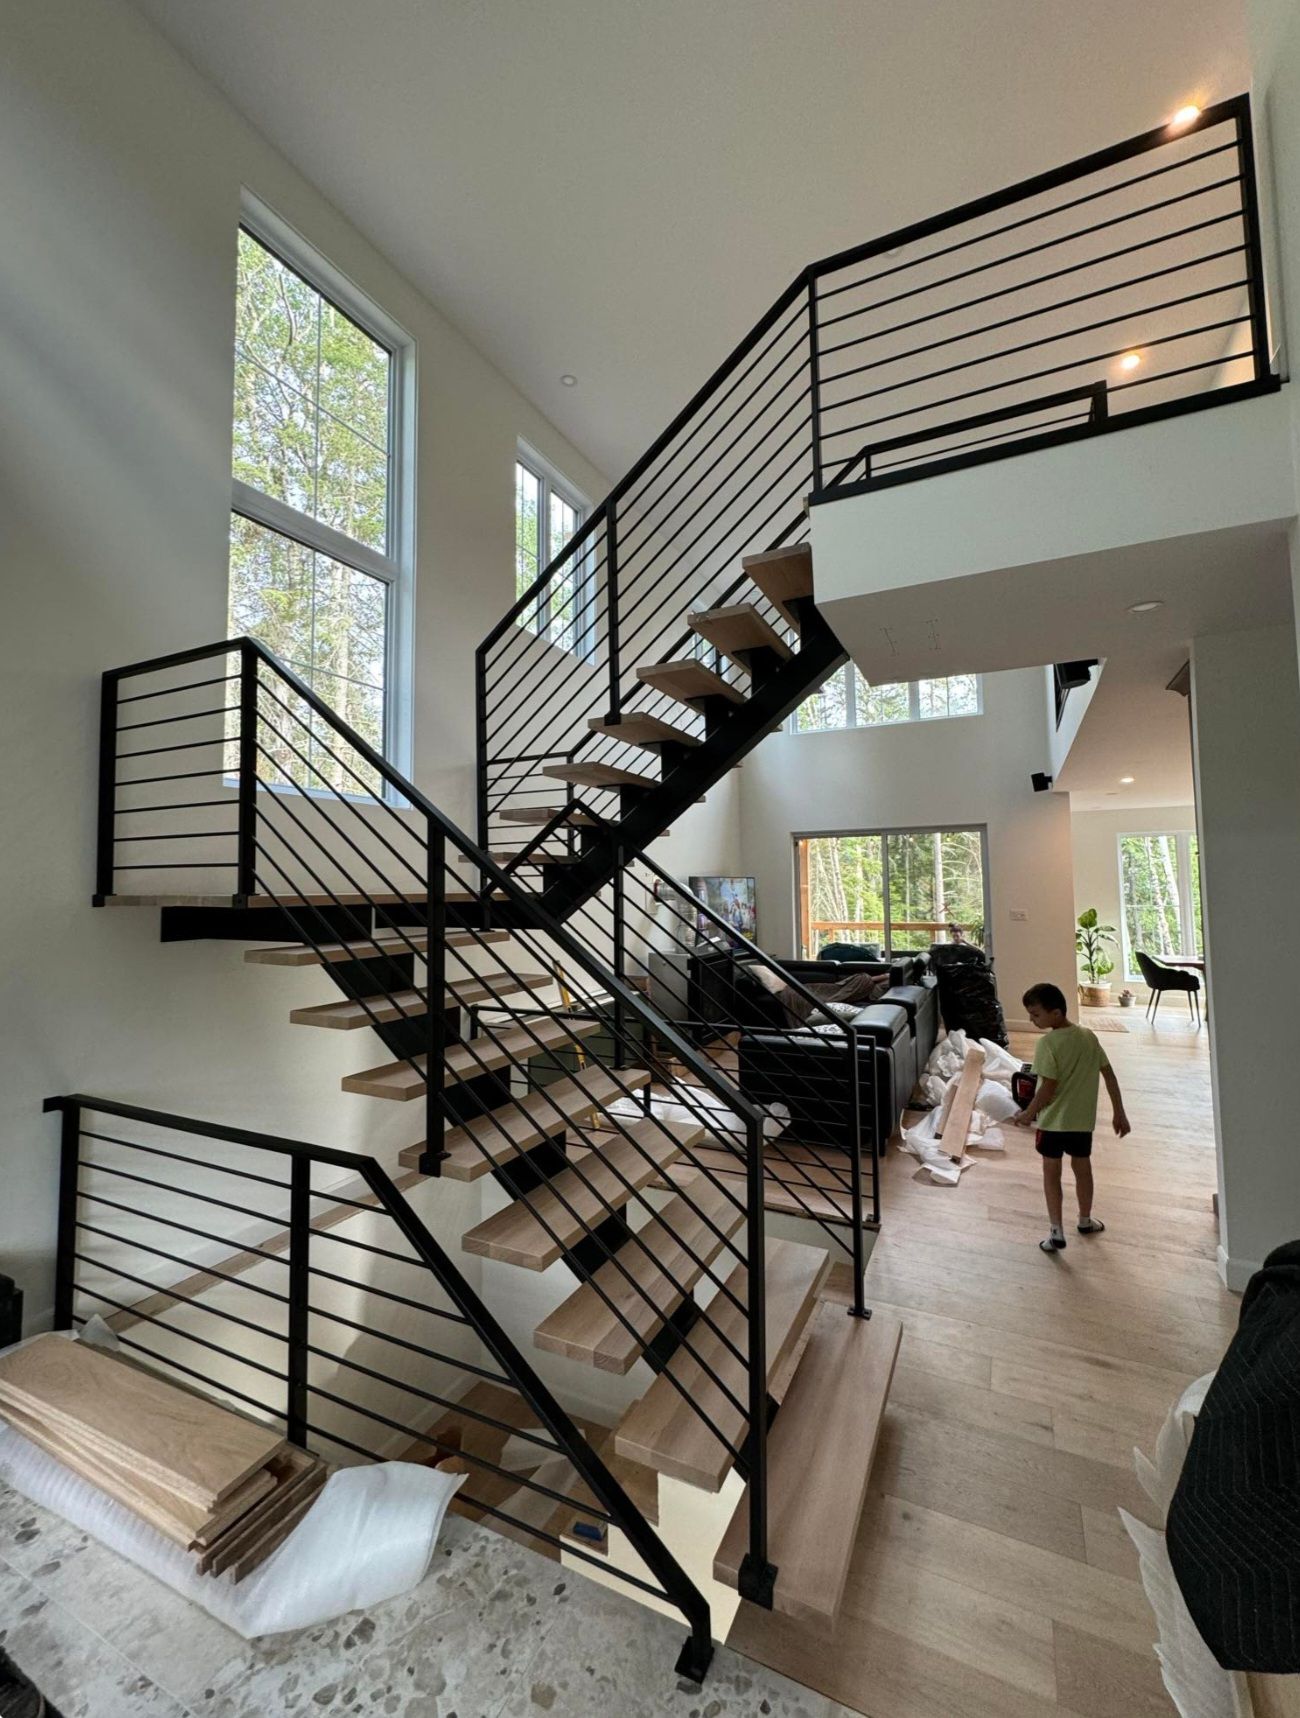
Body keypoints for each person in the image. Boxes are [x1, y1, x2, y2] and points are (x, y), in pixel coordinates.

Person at [1013, 981, 1131, 1253]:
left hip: (1052, 1123)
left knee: (1051, 1173)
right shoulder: (1088, 1037)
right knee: (1083, 1170)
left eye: (1036, 1014)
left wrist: (1028, 1113)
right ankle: (1085, 1220)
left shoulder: (1047, 1043)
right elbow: (1109, 1074)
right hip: (1081, 1122)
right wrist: (1119, 1112)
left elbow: (1048, 1087)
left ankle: (1056, 1232)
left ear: (1056, 1013)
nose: (1032, 1020)